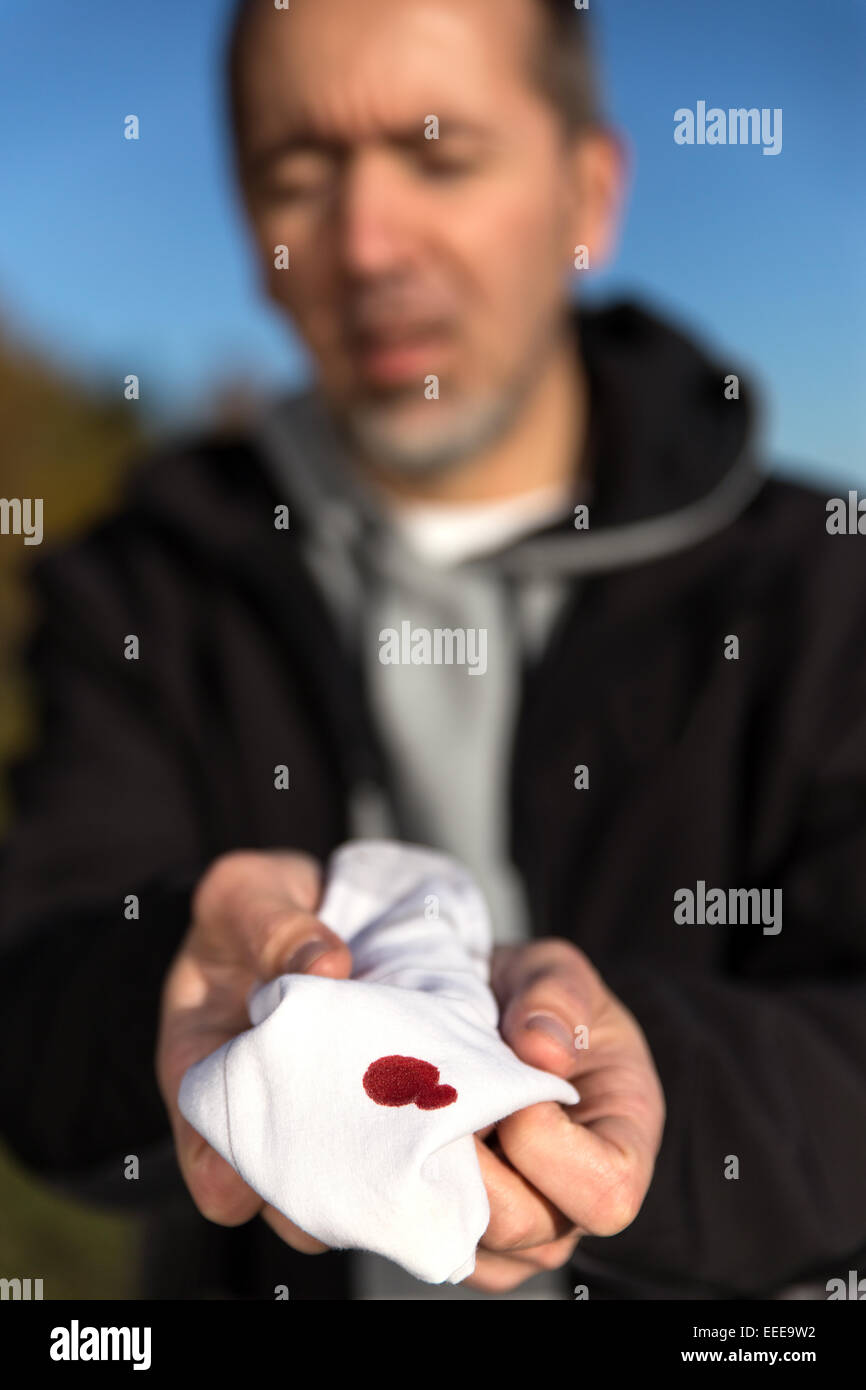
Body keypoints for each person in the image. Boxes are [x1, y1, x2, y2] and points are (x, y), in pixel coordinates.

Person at [1, 0, 864, 1302]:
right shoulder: (147, 583)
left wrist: (639, 1089)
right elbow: (36, 1014)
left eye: (440, 154)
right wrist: (169, 981)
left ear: (587, 190)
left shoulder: (818, 583)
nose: (364, 242)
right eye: (299, 174)